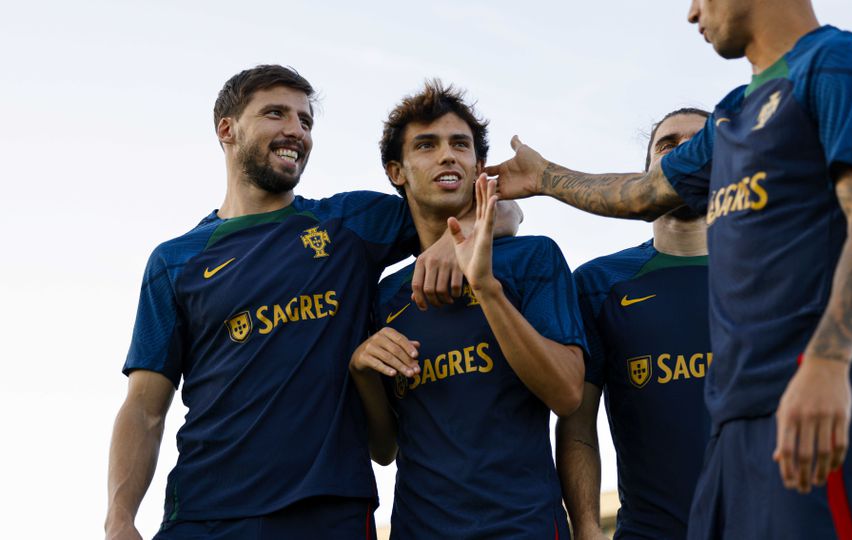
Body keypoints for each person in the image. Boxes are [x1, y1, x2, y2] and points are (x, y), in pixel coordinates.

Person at [487, 1, 852, 537]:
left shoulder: (837, 63)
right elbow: (643, 191)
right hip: (738, 425)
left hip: (816, 388)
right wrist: (545, 175)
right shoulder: (733, 115)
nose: (693, 13)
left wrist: (829, 363)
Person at [104, 65, 518, 540]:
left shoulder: (348, 224)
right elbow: (144, 407)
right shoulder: (175, 261)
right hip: (205, 513)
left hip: (329, 509)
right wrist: (119, 519)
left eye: (305, 121)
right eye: (275, 114)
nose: (295, 131)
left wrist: (454, 240)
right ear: (227, 129)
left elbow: (501, 204)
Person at [348, 80, 586, 539]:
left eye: (460, 144)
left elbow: (567, 393)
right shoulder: (385, 294)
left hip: (525, 526)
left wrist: (486, 289)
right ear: (396, 171)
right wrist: (361, 369)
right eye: (426, 145)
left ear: (480, 165)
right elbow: (385, 448)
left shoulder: (533, 258)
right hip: (420, 528)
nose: (447, 155)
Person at [556, 108, 711, 540]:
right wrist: (586, 527)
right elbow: (577, 425)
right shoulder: (598, 284)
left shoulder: (774, 276)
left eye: (700, 142)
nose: (682, 153)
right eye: (667, 144)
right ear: (644, 177)